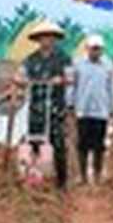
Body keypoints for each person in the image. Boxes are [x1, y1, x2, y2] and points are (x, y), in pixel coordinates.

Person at [15, 20, 73, 190]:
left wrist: (60, 80)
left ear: (55, 39)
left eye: (50, 37)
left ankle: (62, 182)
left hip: (56, 107)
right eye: (43, 37)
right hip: (35, 108)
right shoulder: (30, 60)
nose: (46, 40)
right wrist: (20, 80)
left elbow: (71, 78)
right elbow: (20, 75)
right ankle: (33, 176)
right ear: (38, 39)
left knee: (58, 143)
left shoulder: (63, 58)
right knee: (33, 142)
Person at [68, 35, 113, 185]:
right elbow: (72, 85)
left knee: (99, 144)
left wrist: (112, 106)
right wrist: (70, 103)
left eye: (98, 49)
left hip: (101, 111)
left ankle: (97, 175)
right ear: (87, 48)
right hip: (83, 109)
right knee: (82, 144)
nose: (96, 52)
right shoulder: (78, 64)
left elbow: (112, 87)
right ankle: (82, 176)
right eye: (93, 48)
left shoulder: (108, 65)